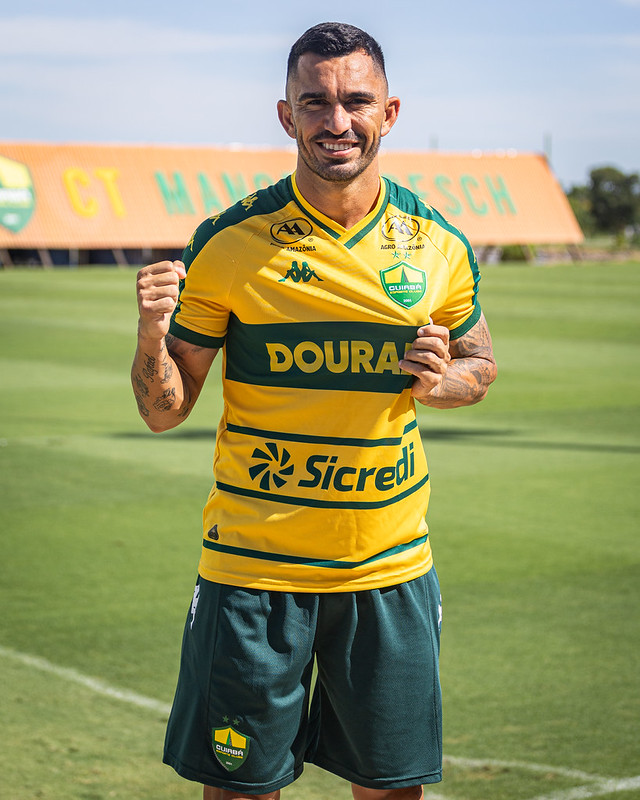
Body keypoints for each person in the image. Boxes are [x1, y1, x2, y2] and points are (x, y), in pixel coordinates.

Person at [132, 21, 497, 800]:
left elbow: (480, 365)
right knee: (238, 790)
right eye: (315, 102)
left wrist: (441, 385)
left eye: (356, 101)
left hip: (388, 567)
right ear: (285, 115)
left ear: (388, 113)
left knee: (392, 788)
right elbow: (165, 409)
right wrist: (150, 336)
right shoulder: (229, 242)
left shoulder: (438, 243)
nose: (337, 121)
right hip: (252, 571)